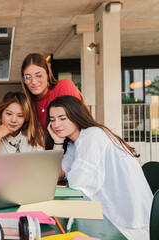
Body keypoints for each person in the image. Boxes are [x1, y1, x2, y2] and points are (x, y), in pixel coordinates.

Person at [45, 95, 153, 240]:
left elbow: (79, 183)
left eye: (62, 118)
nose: (56, 124)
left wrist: (70, 176)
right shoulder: (72, 144)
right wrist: (57, 143)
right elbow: (54, 175)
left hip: (129, 225)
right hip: (109, 217)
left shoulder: (92, 135)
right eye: (52, 120)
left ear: (76, 116)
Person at [21, 53, 82, 143]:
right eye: (28, 77)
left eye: (39, 75)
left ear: (47, 74)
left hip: (79, 143)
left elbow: (75, 124)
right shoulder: (29, 104)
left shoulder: (63, 86)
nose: (33, 82)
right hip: (57, 148)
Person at [0, 92, 43, 163]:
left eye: (20, 116)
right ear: (1, 114)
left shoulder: (34, 133)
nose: (13, 120)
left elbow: (41, 164)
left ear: (26, 118)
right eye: (9, 114)